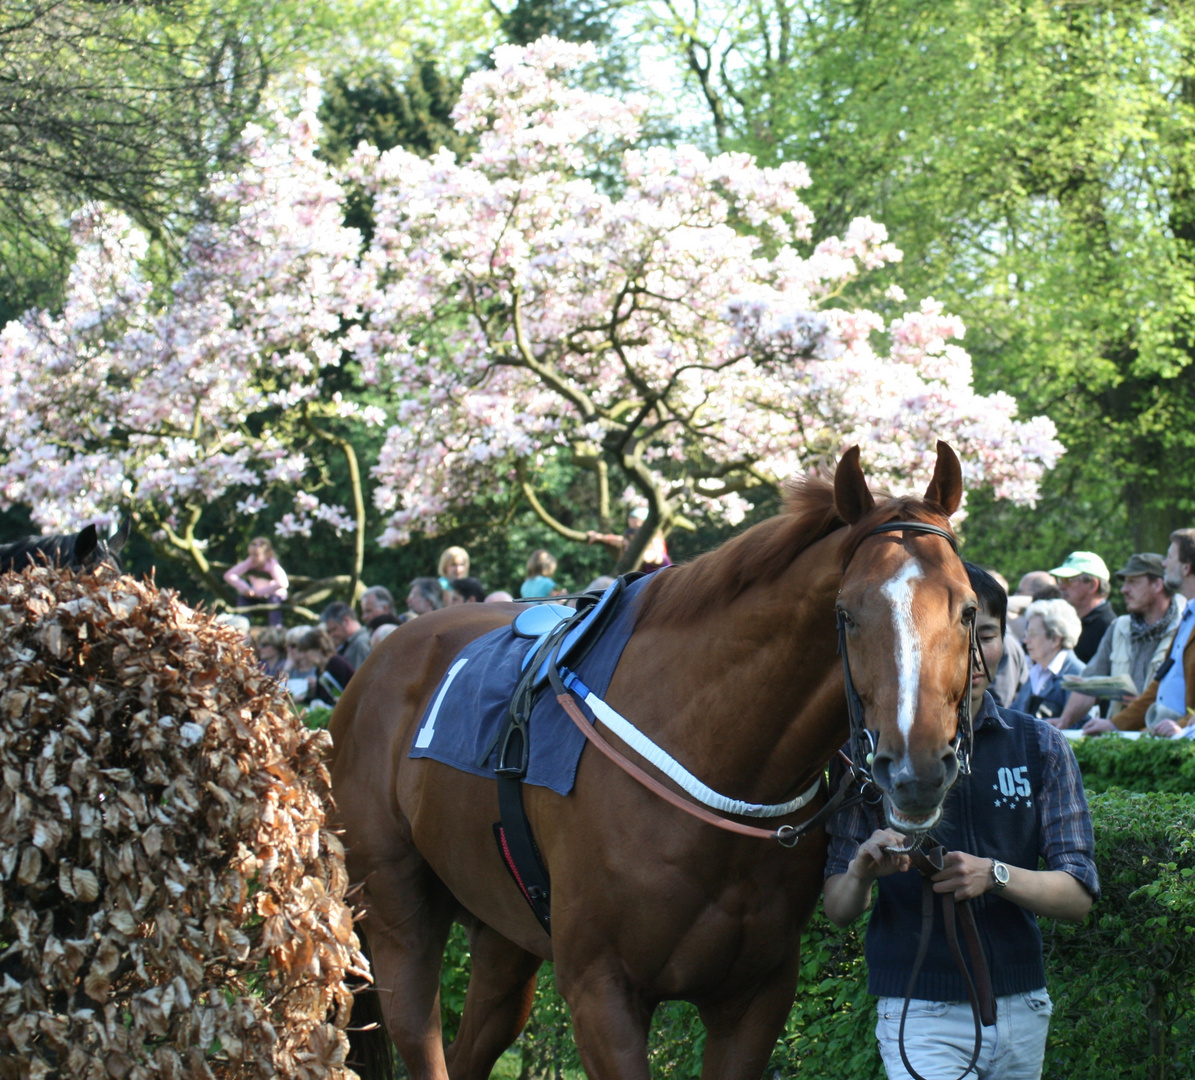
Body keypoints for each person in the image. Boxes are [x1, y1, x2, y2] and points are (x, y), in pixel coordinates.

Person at [822, 562, 1098, 1080]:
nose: (970, 655)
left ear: (1003, 641)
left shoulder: (1040, 745)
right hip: (920, 1013)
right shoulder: (868, 755)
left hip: (1022, 1005)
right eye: (949, 636)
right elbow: (838, 909)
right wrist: (860, 872)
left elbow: (1078, 893)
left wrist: (994, 875)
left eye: (985, 634)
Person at [1057, 553, 1183, 731]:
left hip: (1162, 740)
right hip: (1118, 740)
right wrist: (1063, 722)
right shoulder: (1119, 627)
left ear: (1157, 584)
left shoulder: (1184, 629)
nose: (1124, 589)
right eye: (1125, 582)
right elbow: (1088, 684)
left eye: (1133, 582)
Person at [1096, 529, 1195, 736]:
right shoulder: (1188, 616)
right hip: (1165, 740)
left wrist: (1185, 727)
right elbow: (1159, 686)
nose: (1165, 564)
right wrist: (1114, 724)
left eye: (1169, 557)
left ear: (1186, 568)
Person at [1011, 598, 1089, 722]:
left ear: (1054, 640)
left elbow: (1079, 726)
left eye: (1032, 634)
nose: (1025, 641)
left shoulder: (1077, 674)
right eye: (1026, 634)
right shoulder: (1036, 671)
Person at [1048, 552, 1115, 663]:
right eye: (1060, 579)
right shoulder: (1068, 621)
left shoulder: (1108, 627)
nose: (1060, 586)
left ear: (1092, 585)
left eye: (1068, 580)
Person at [223, 537, 289, 627]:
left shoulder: (272, 565)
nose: (253, 558)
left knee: (274, 602)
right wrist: (246, 588)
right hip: (255, 595)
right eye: (251, 554)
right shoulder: (250, 562)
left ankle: (276, 628)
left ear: (267, 554)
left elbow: (283, 583)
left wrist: (260, 592)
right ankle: (241, 626)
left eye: (256, 555)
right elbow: (229, 575)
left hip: (272, 595)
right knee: (243, 599)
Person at [587, 506, 672, 572]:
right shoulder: (631, 543)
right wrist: (599, 537)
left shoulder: (657, 551)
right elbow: (619, 540)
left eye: (637, 531)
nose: (633, 536)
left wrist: (632, 550)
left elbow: (652, 556)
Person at [292, 628, 354, 707]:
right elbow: (322, 698)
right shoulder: (319, 669)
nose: (304, 656)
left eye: (306, 651)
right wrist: (302, 699)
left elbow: (336, 697)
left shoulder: (335, 663)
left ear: (319, 649)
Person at [321, 600, 372, 670]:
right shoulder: (353, 643)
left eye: (334, 629)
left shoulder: (360, 644)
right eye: (329, 632)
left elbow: (361, 678)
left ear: (346, 621)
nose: (331, 635)